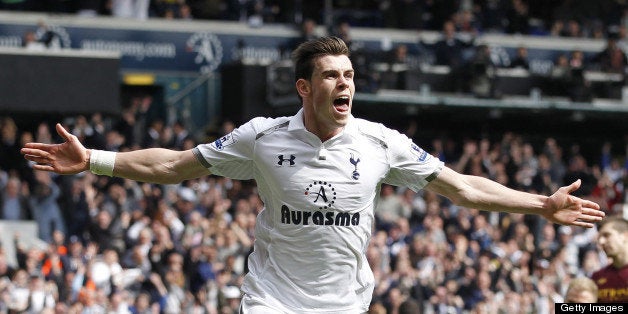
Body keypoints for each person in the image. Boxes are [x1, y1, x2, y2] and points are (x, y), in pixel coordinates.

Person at [21, 36, 604, 313]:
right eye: (330, 75)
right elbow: (174, 165)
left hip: (346, 301)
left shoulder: (382, 143)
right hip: (271, 298)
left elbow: (466, 188)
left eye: (349, 74)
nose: (344, 83)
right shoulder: (262, 137)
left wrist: (539, 206)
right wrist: (95, 160)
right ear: (305, 87)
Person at [590, 215, 628, 303]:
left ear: (625, 236)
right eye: (599, 238)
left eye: (607, 235)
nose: (601, 242)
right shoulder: (597, 277)